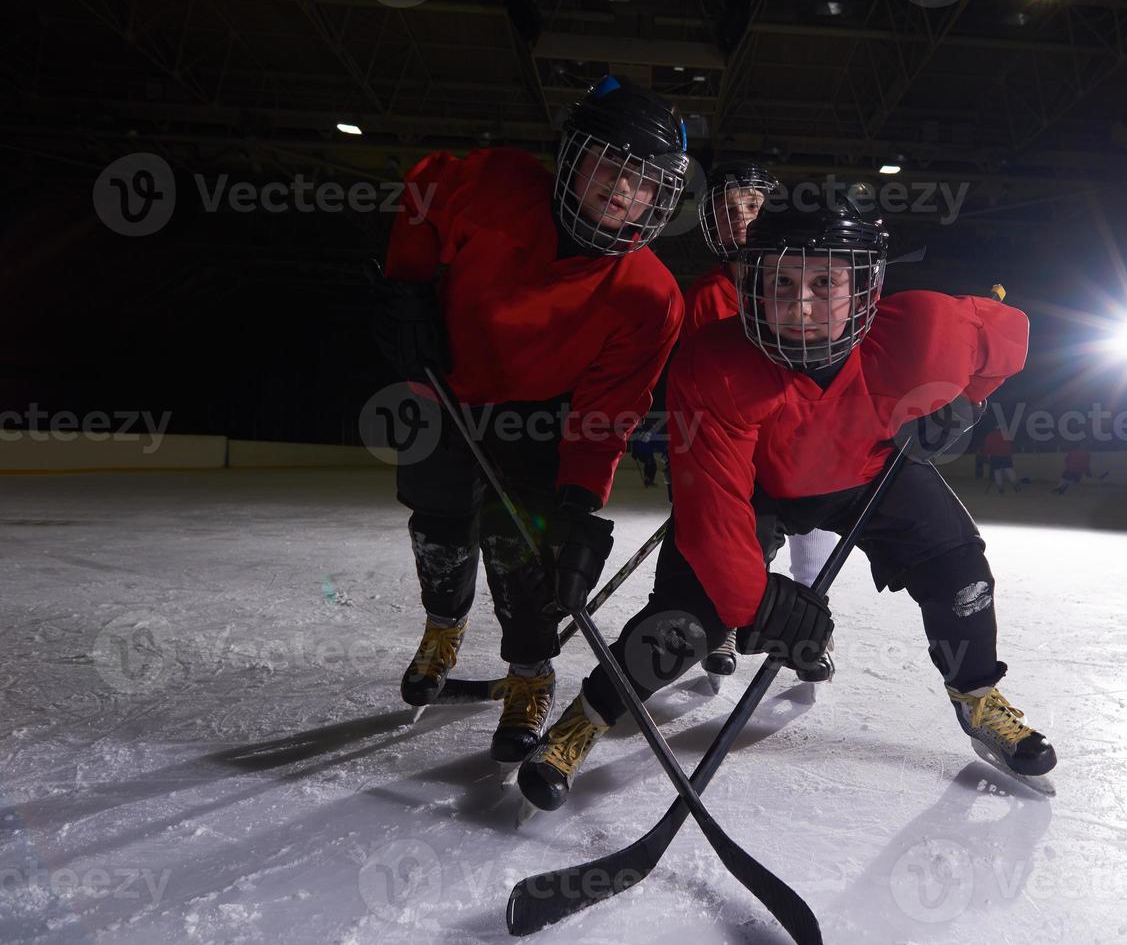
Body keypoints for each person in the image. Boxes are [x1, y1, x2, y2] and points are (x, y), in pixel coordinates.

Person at [516, 196, 1056, 813]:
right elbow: (712, 509)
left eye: (826, 281)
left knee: (960, 573)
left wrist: (967, 403)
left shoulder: (926, 334)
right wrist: (758, 604)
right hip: (759, 487)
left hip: (871, 473)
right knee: (684, 624)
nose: (801, 306)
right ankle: (586, 718)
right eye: (782, 281)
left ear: (864, 288)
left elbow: (1009, 334)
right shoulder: (715, 365)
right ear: (753, 284)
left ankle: (977, 696)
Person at [375, 75, 689, 777]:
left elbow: (610, 404)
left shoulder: (650, 296)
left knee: (524, 550)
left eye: (642, 182)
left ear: (660, 198)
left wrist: (577, 500)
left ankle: (530, 675)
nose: (621, 191)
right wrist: (408, 283)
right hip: (446, 388)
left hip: (538, 416)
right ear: (573, 159)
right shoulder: (493, 185)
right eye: (609, 166)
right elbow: (425, 188)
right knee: (437, 520)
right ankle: (442, 629)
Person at [688, 162, 839, 686]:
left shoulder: (808, 275)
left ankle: (811, 630)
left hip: (804, 442)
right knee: (743, 540)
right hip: (742, 446)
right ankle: (732, 621)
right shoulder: (710, 292)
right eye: (727, 211)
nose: (738, 220)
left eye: (750, 206)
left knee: (814, 543)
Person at [983, 426, 1019, 493]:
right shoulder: (1006, 434)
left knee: (997, 471)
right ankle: (1016, 484)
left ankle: (1000, 487)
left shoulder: (990, 434)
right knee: (1009, 469)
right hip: (1006, 454)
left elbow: (987, 445)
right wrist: (1010, 451)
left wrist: (987, 454)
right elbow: (1010, 444)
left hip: (995, 455)